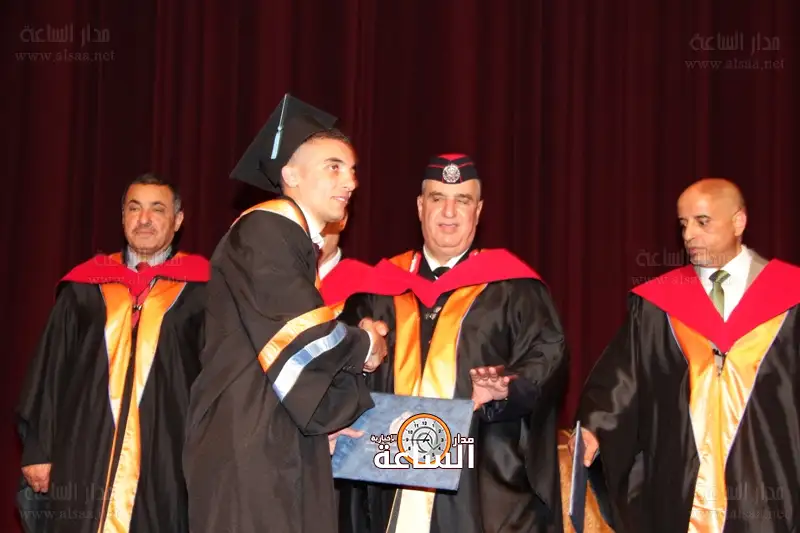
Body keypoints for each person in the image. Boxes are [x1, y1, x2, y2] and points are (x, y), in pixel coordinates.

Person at [181, 94, 391, 533]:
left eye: (352, 170)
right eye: (333, 166)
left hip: (273, 438)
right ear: (290, 174)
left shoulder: (289, 240)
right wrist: (367, 345)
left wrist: (327, 419)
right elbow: (301, 336)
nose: (350, 181)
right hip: (248, 444)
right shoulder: (265, 228)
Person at [335, 153, 569, 533]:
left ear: (478, 210)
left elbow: (548, 358)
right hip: (384, 481)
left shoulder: (514, 289)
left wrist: (506, 389)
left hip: (480, 483)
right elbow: (334, 371)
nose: (449, 211)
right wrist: (359, 348)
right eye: (437, 198)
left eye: (462, 200)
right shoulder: (377, 290)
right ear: (419, 206)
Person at [571, 177, 800, 532]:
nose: (689, 234)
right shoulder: (659, 305)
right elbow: (622, 379)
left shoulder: (790, 297)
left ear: (738, 222)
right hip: (680, 490)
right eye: (683, 224)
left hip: (770, 486)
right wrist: (595, 428)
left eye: (702, 222)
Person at [15, 173, 210, 533]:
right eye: (134, 209)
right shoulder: (84, 288)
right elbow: (51, 369)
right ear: (123, 218)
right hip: (84, 447)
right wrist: (40, 451)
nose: (144, 219)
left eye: (157, 209)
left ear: (178, 220)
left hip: (167, 451)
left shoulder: (203, 290)